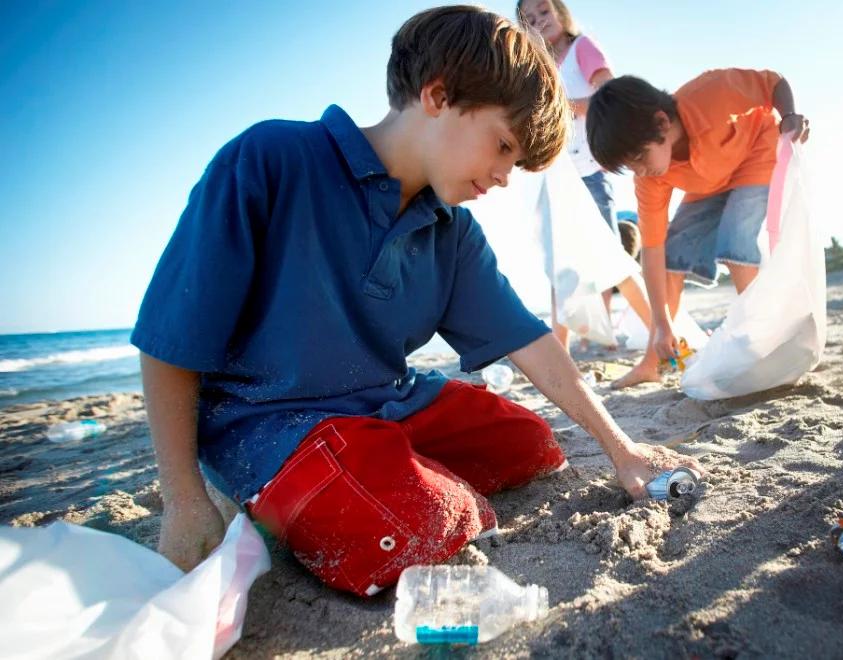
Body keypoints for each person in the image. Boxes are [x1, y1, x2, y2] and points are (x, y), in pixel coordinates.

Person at [132, 5, 701, 598]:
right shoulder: (272, 159)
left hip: (384, 405)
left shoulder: (450, 228)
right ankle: (330, 488)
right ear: (438, 95)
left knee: (531, 445)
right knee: (425, 525)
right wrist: (182, 499)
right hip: (268, 422)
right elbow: (172, 336)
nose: (506, 176)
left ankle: (379, 471)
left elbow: (527, 339)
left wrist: (622, 448)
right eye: (503, 145)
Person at [587, 70, 810, 388]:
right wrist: (663, 325)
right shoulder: (650, 176)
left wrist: (789, 115)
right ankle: (654, 360)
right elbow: (652, 249)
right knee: (672, 252)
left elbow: (774, 83)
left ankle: (765, 340)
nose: (639, 170)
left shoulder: (713, 93)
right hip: (709, 183)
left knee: (735, 241)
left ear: (662, 123)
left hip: (756, 154)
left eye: (638, 157)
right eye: (630, 166)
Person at [516, 0, 653, 351]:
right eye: (529, 20)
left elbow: (611, 97)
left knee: (610, 257)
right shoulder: (539, 67)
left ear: (560, 11)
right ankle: (560, 349)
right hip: (557, 176)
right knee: (559, 264)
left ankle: (657, 332)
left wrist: (565, 105)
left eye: (544, 12)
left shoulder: (583, 48)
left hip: (591, 170)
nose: (539, 22)